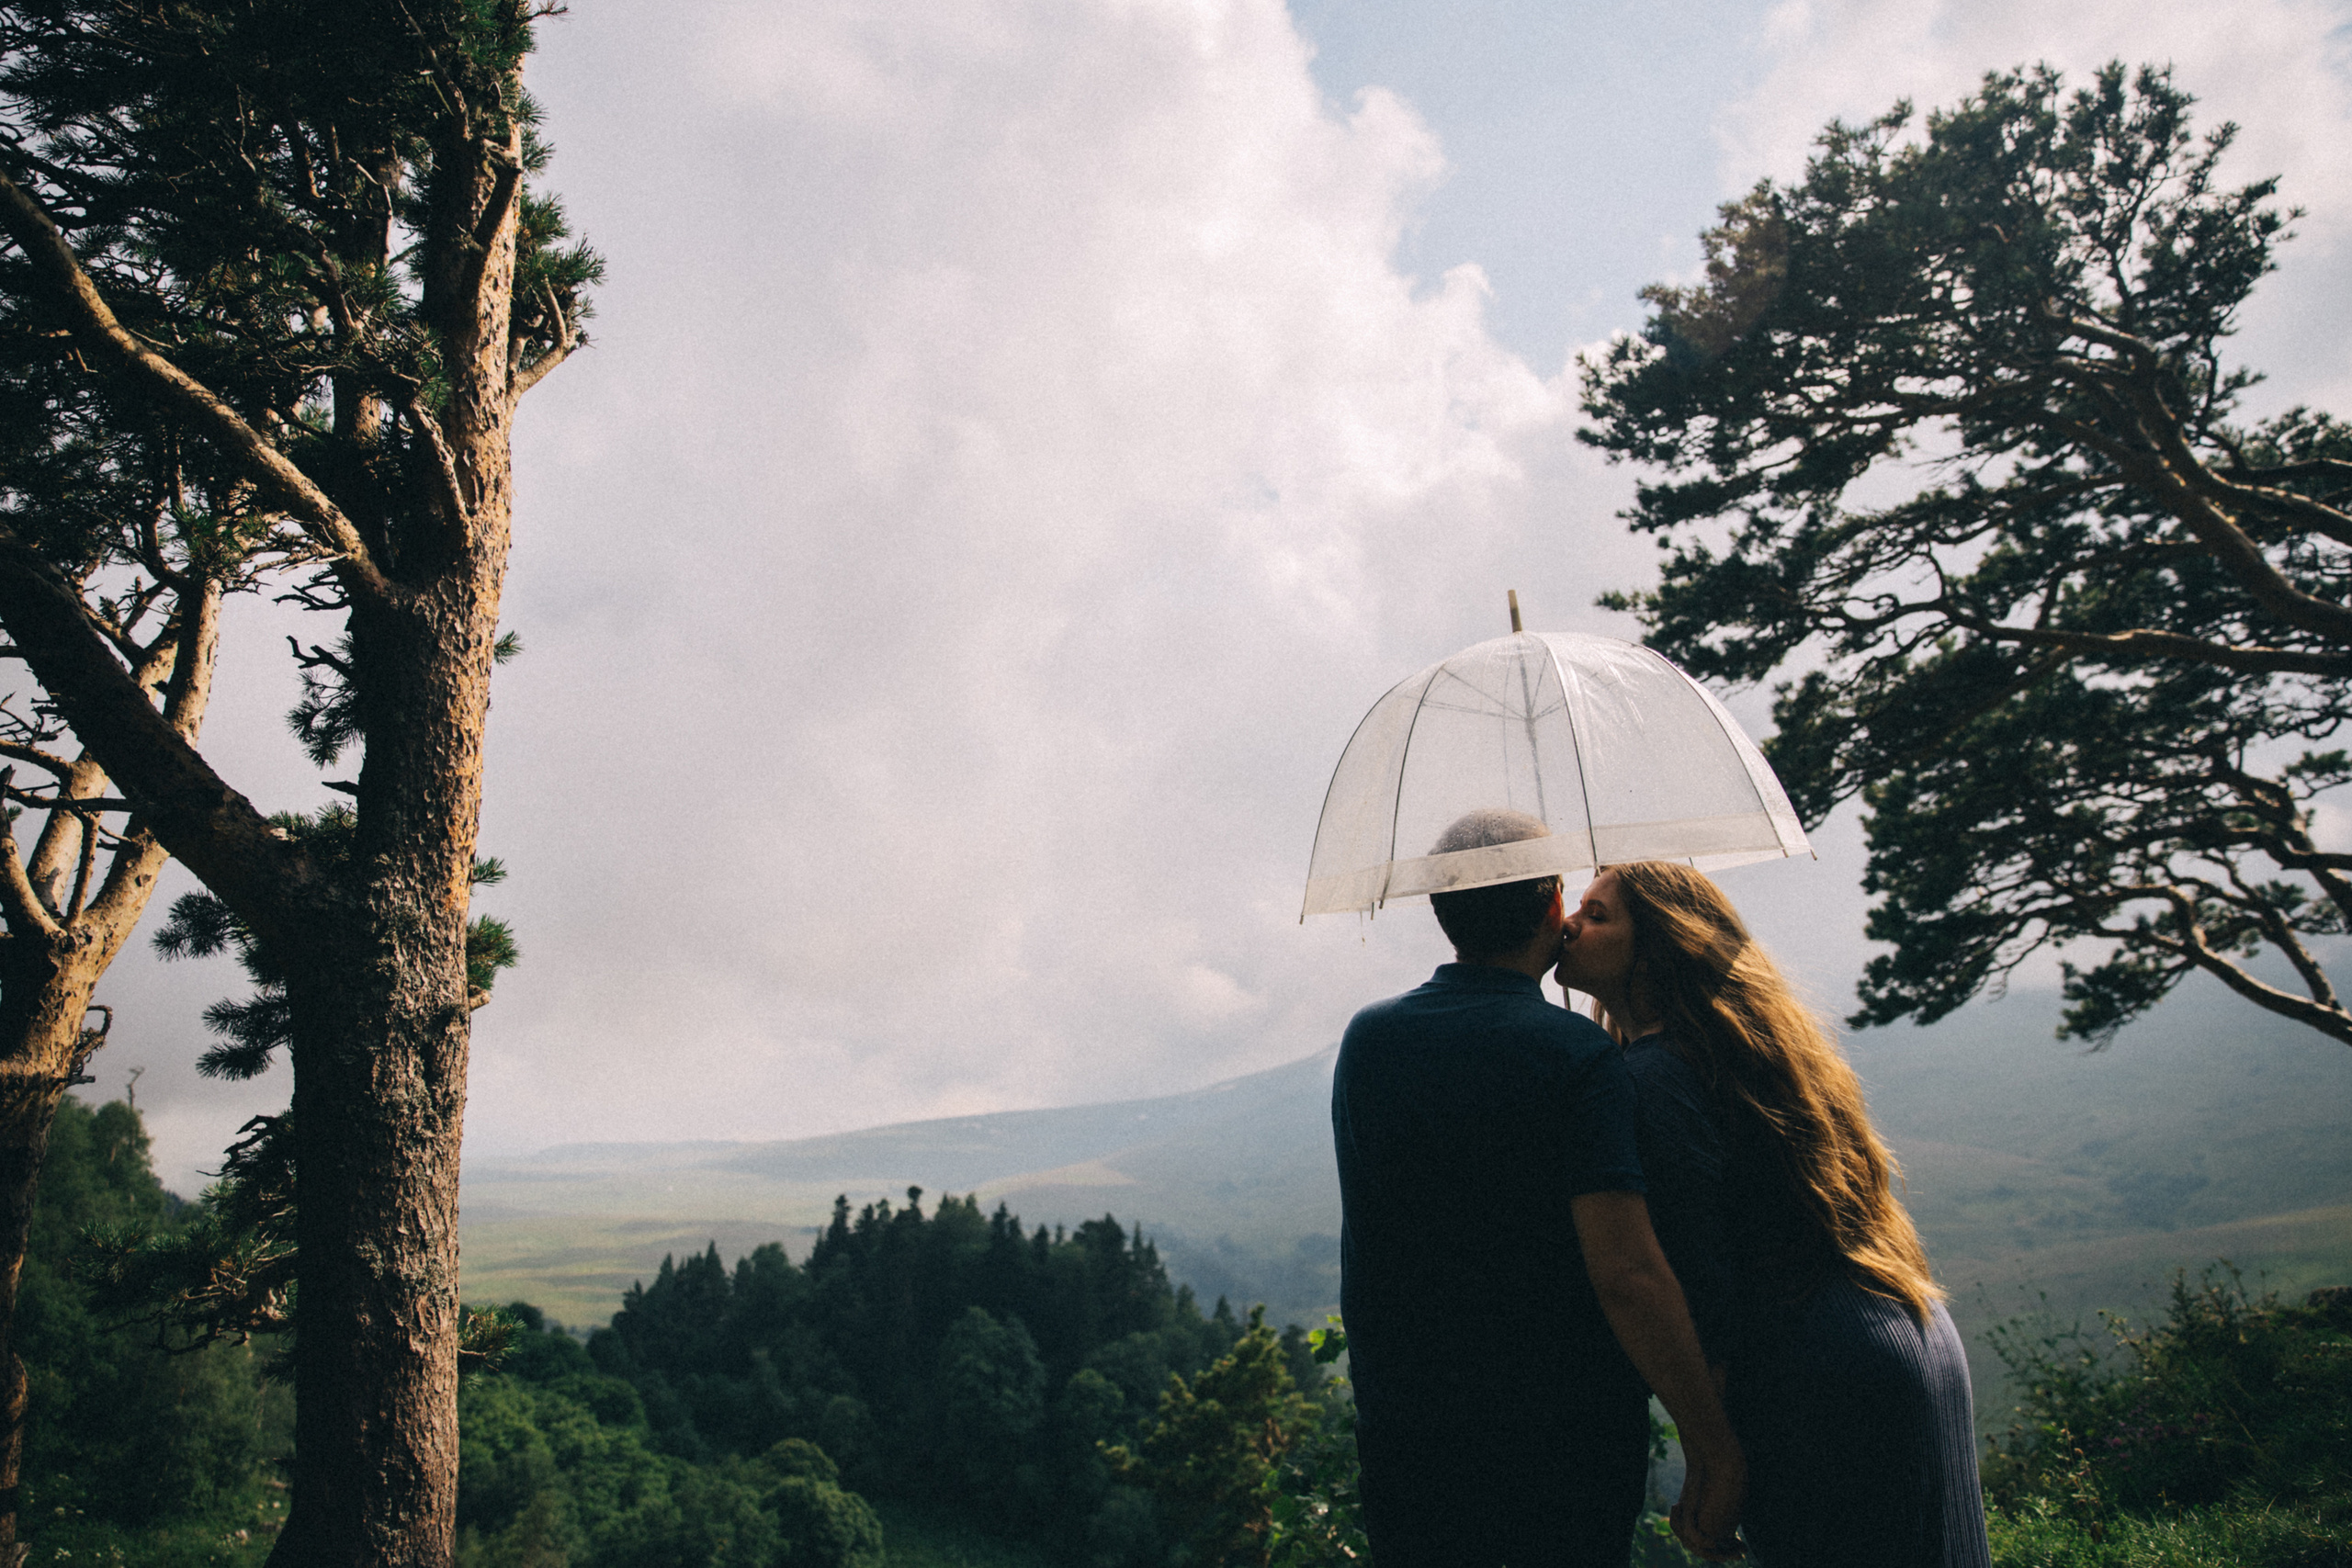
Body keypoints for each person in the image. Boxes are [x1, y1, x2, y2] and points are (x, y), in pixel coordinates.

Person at [1332, 808, 1747, 1567]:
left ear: (1442, 912)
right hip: (1557, 1448)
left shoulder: (1368, 1041)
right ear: (1554, 905)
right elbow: (1626, 1273)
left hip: (1407, 1441)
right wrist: (1711, 1439)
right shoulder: (1577, 1056)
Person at [1555, 861, 1994, 1568]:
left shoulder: (1652, 1079)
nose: (1571, 924)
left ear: (1663, 945)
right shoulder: (1741, 1052)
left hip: (1819, 1379)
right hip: (1908, 1334)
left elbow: (1700, 1286)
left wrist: (1712, 1455)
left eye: (1599, 914)